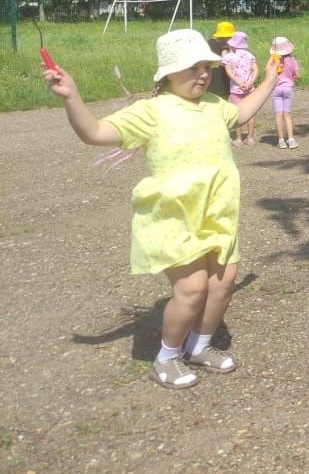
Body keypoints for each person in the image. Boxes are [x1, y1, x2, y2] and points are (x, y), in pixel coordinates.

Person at [42, 28, 278, 389]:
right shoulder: (152, 112)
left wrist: (271, 79)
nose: (202, 74)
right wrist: (71, 96)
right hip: (175, 219)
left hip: (218, 214)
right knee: (193, 288)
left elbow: (243, 111)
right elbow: (94, 132)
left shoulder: (215, 107)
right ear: (168, 73)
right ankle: (166, 357)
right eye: (191, 68)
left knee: (224, 283)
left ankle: (199, 346)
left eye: (205, 66)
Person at [224, 31, 258, 146]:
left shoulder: (229, 56)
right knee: (251, 113)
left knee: (236, 113)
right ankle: (250, 137)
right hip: (249, 88)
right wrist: (250, 82)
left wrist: (239, 83)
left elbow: (229, 72)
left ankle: (238, 138)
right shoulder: (250, 56)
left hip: (235, 89)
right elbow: (255, 70)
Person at [269, 36, 300, 149]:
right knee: (287, 115)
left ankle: (281, 140)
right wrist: (292, 76)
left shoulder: (273, 60)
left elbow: (267, 71)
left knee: (278, 115)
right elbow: (297, 75)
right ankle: (291, 139)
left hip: (276, 89)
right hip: (288, 88)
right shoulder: (293, 60)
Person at [206, 21, 235, 99]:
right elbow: (224, 60)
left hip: (209, 75)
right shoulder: (225, 45)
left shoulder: (208, 43)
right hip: (221, 78)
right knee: (223, 101)